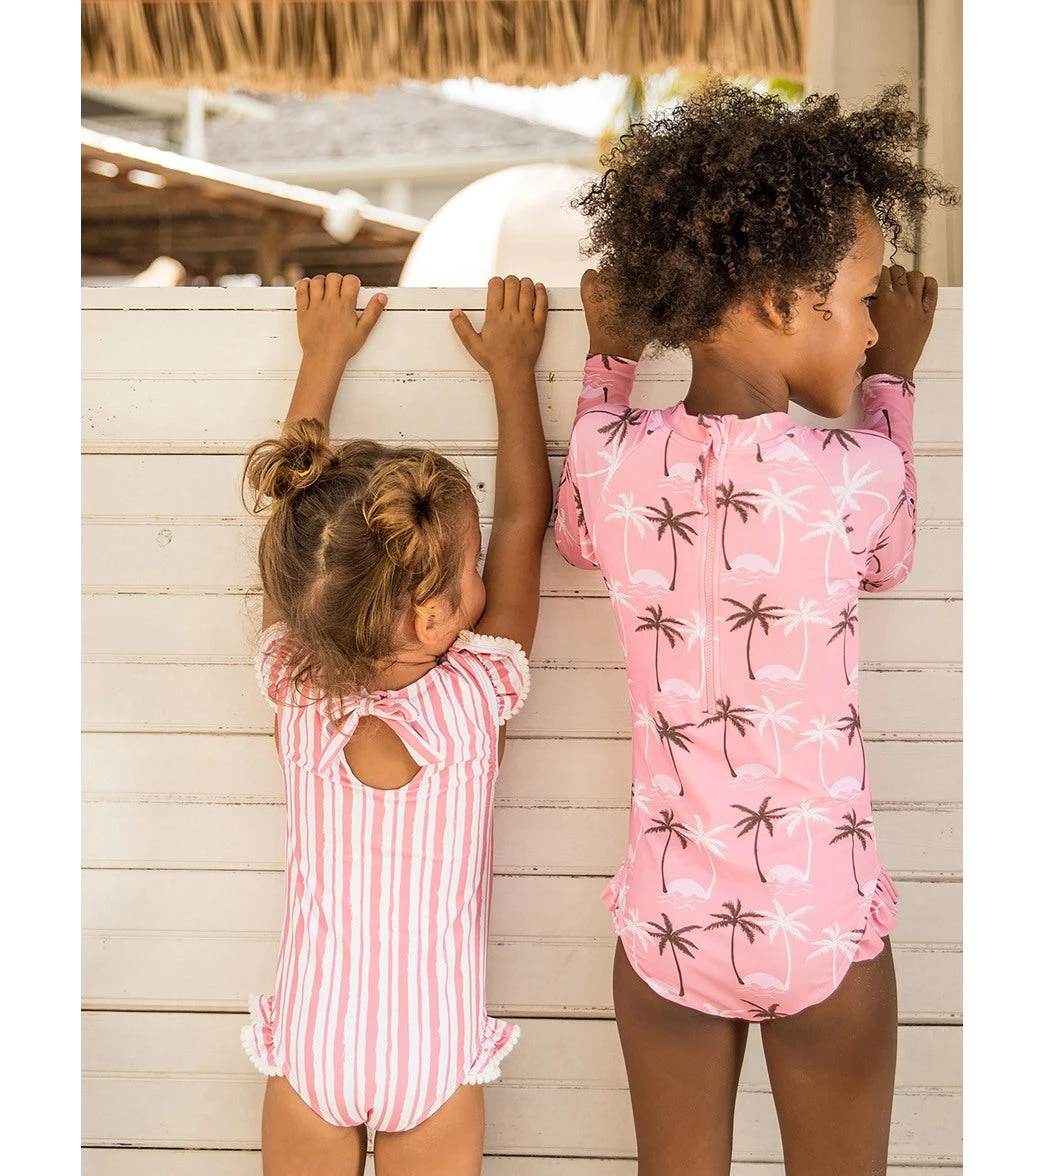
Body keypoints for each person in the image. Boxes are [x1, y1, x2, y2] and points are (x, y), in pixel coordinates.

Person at [554, 80, 958, 1176]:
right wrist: (895, 379)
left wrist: (608, 357)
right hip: (818, 914)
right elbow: (889, 555)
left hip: (667, 920)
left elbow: (579, 536)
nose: (870, 327)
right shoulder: (855, 472)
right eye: (862, 300)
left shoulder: (611, 456)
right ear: (781, 303)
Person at [240, 272, 551, 1175]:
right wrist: (513, 373)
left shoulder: (297, 688)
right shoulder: (475, 698)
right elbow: (525, 521)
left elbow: (302, 539)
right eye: (470, 566)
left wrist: (321, 356)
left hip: (314, 1045)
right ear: (436, 616)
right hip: (433, 1051)